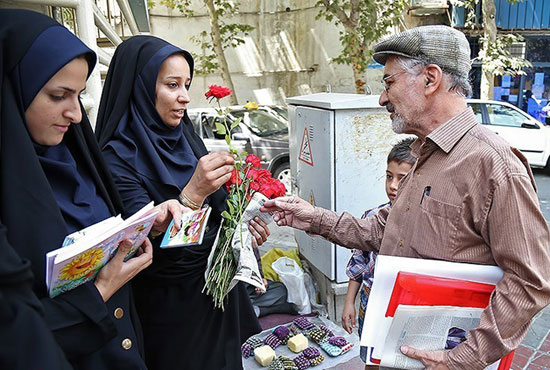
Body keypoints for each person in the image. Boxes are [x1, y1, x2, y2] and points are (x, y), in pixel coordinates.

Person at [262, 25, 550, 370]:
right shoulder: (423, 155)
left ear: (430, 79)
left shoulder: (494, 165)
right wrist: (315, 218)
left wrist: (462, 358)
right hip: (397, 347)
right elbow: (384, 231)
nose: (382, 98)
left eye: (388, 83)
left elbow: (530, 280)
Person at [0, 9, 183, 370]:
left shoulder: (76, 157)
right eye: (58, 96)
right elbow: (15, 336)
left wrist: (144, 228)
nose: (77, 114)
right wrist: (100, 291)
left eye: (79, 95)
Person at [95, 35, 268, 370]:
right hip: (172, 312)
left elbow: (220, 217)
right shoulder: (115, 160)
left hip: (220, 297)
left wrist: (245, 230)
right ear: (142, 87)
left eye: (187, 84)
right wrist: (192, 193)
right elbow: (141, 249)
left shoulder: (187, 140)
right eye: (172, 85)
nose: (185, 97)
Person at [341, 138, 416, 368]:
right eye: (389, 176)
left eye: (402, 179)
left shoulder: (422, 225)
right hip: (371, 301)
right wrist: (349, 302)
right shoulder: (372, 217)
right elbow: (359, 262)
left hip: (406, 308)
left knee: (403, 358)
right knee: (371, 357)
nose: (393, 185)